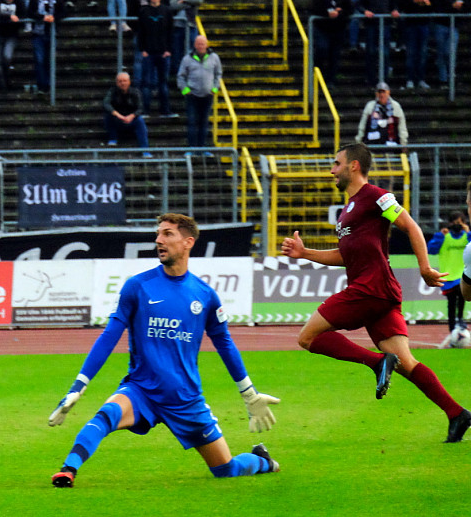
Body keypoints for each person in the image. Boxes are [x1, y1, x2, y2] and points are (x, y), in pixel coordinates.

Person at [49, 212, 281, 488]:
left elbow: (225, 344)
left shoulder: (205, 295)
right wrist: (79, 385)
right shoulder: (137, 286)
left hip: (185, 398)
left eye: (168, 234)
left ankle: (262, 460)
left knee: (226, 469)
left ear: (188, 242)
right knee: (106, 415)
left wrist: (249, 393)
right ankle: (68, 470)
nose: (159, 240)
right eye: (158, 234)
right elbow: (109, 335)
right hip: (142, 390)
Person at [281, 142, 471, 443]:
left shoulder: (376, 196)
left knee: (308, 337)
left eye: (337, 164)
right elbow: (346, 256)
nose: (332, 170)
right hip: (379, 292)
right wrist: (305, 253)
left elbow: (411, 227)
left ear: (354, 165)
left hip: (370, 288)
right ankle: (456, 413)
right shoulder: (347, 210)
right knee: (406, 363)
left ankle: (377, 362)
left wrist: (424, 267)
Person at [177, 35, 222, 151]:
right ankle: (191, 148)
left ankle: (202, 148)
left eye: (202, 44)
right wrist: (185, 90)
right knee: (192, 121)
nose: (201, 46)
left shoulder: (214, 57)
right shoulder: (187, 59)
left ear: (207, 45)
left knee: (204, 122)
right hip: (192, 96)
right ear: (195, 45)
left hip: (207, 95)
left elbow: (218, 74)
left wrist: (215, 88)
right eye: (198, 44)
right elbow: (180, 76)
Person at [136, 0, 174, 118]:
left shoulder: (166, 11)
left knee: (163, 83)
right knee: (146, 83)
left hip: (163, 53)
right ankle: (145, 111)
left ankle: (165, 110)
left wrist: (168, 50)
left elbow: (170, 32)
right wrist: (142, 49)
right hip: (148, 53)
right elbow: (140, 32)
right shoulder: (143, 11)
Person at [428, 210, 469, 332]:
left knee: (461, 296)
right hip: (448, 277)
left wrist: (468, 233)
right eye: (455, 223)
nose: (457, 225)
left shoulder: (467, 237)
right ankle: (453, 329)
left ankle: (460, 320)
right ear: (450, 223)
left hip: (462, 275)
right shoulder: (443, 237)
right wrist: (440, 236)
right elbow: (431, 250)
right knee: (451, 303)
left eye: (460, 223)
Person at [359, 0, 399, 86]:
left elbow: (395, 2)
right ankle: (370, 79)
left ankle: (385, 79)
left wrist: (395, 10)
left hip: (385, 24)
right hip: (371, 24)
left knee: (385, 52)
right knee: (370, 51)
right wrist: (365, 11)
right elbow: (359, 3)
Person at [310, 0, 352, 87]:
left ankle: (331, 80)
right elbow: (314, 9)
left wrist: (340, 12)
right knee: (322, 49)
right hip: (323, 28)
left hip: (338, 29)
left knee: (335, 55)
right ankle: (317, 74)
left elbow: (350, 9)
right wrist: (327, 13)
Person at [398, 0, 433, 90]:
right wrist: (413, 2)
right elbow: (402, 5)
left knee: (423, 53)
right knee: (411, 53)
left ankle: (421, 79)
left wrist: (427, 3)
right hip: (411, 25)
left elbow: (434, 6)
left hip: (424, 24)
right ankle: (410, 79)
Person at [28, 0, 64, 94]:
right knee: (39, 60)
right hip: (38, 34)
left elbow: (63, 12)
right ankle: (41, 84)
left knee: (49, 60)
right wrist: (41, 17)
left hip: (51, 33)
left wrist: (54, 18)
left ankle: (49, 84)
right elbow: (29, 12)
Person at [432, 0, 466, 86]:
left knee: (450, 52)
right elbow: (438, 8)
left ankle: (451, 77)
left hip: (454, 26)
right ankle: (443, 79)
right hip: (441, 26)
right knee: (441, 52)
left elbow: (467, 7)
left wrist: (461, 7)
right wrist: (451, 7)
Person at [102, 72, 149, 153]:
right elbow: (106, 104)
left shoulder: (135, 92)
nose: (122, 83)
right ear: (117, 83)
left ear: (129, 82)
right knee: (108, 116)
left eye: (125, 81)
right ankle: (113, 138)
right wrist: (118, 115)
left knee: (140, 120)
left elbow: (140, 108)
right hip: (117, 119)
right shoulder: (112, 91)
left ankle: (145, 150)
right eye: (120, 81)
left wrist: (132, 116)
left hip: (131, 119)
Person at [355, 81, 408, 146]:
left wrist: (403, 143)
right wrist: (359, 140)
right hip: (372, 143)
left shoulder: (396, 107)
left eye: (384, 92)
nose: (382, 95)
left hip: (392, 143)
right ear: (376, 94)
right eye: (379, 92)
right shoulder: (370, 106)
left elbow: (402, 127)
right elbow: (362, 126)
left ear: (388, 93)